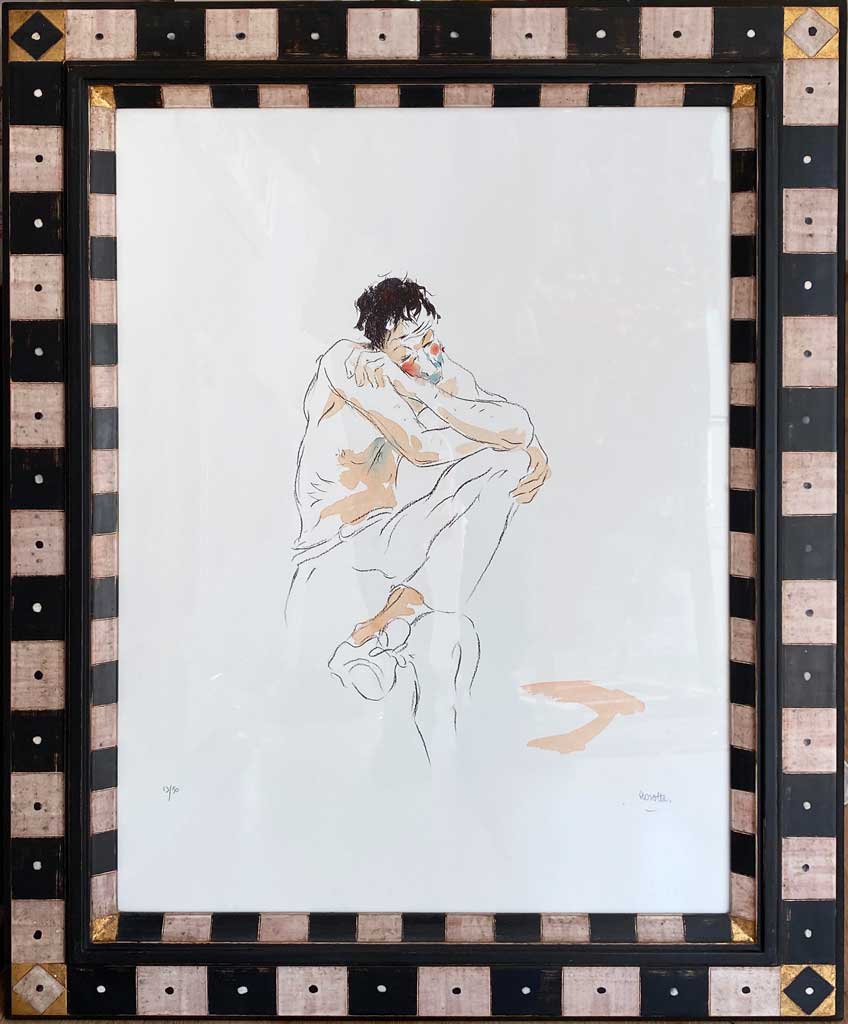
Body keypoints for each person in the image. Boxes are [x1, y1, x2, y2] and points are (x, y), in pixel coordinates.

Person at [286, 276, 550, 752]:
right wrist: (497, 434)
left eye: (427, 337)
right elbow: (423, 447)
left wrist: (521, 443)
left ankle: (388, 624)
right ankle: (392, 625)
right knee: (502, 456)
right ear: (378, 348)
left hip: (390, 539)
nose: (424, 354)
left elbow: (515, 422)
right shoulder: (350, 363)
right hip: (336, 546)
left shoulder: (426, 368)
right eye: (406, 347)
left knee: (508, 464)